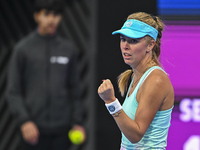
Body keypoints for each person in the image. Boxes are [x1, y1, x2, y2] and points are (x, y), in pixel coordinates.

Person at [6, 0, 86, 149]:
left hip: (62, 132)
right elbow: (13, 92)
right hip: (32, 131)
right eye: (46, 14)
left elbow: (75, 90)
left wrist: (77, 122)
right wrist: (25, 121)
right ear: (37, 16)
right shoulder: (22, 49)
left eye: (56, 15)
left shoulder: (69, 50)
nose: (51, 19)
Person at [98, 12, 174, 150]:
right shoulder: (134, 76)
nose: (125, 46)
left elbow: (135, 135)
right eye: (123, 39)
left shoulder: (156, 79)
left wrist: (111, 102)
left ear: (150, 45)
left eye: (133, 41)